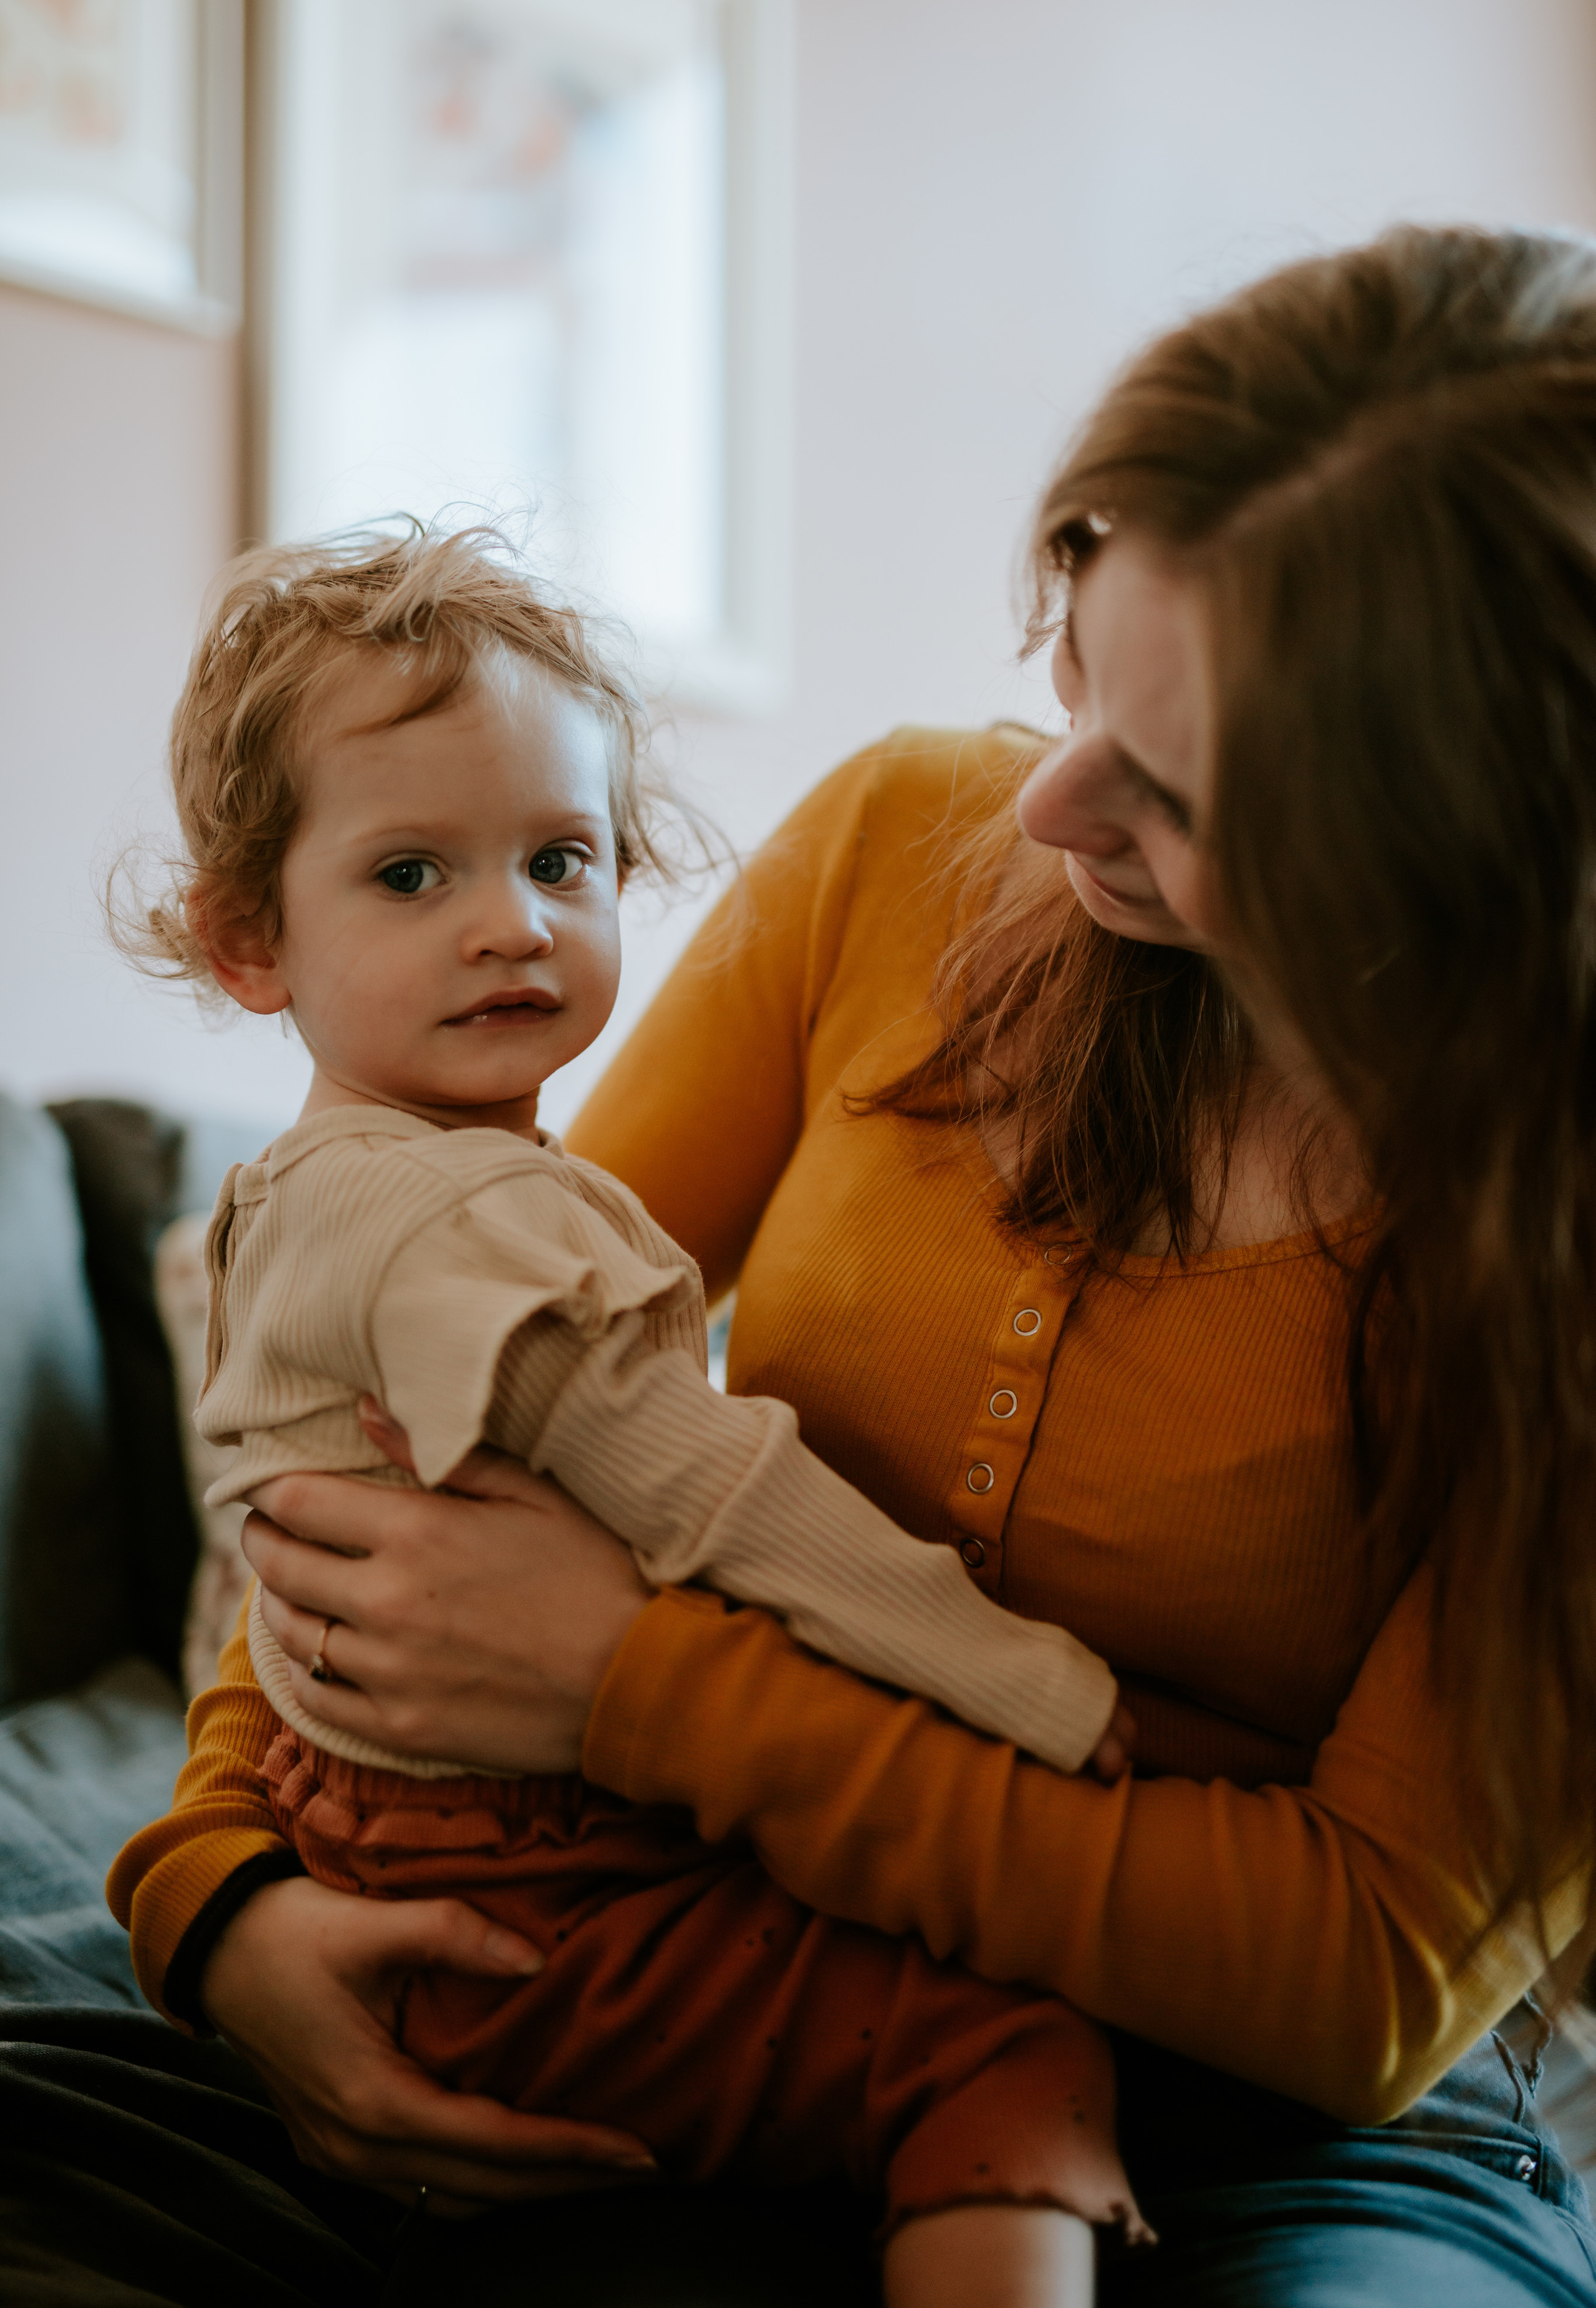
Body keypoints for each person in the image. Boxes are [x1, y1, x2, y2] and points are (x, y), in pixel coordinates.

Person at [21, 221, 1589, 2305]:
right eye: (1076, 673)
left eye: (1183, 784)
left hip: (1260, 2122)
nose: (1047, 801)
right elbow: (395, 1424)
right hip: (666, 1944)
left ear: (1463, 867)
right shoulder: (892, 853)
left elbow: (1358, 1968)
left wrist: (643, 1685)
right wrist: (221, 1909)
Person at [105, 524, 1153, 2306]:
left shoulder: (315, 1186)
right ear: (248, 938)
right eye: (415, 872)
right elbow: (727, 1499)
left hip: (369, 1827)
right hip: (530, 1879)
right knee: (1005, 2046)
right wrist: (1041, 1691)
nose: (511, 919)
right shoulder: (472, 1224)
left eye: (559, 857)